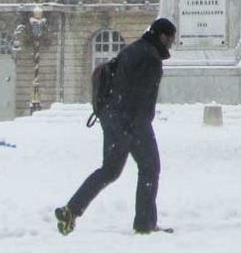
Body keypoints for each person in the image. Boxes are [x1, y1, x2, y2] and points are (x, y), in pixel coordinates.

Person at [55, 17, 177, 235]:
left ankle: (71, 210)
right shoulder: (150, 58)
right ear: (162, 36)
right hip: (131, 120)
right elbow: (139, 93)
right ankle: (145, 224)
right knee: (150, 168)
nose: (171, 45)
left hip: (111, 116)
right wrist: (136, 124)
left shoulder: (134, 50)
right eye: (170, 39)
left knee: (109, 170)